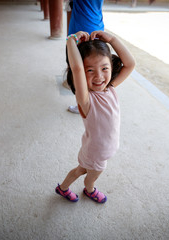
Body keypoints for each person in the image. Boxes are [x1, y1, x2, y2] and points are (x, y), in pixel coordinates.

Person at [55, 30, 135, 203]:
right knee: (91, 175)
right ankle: (90, 190)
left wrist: (112, 39)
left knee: (80, 170)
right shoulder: (86, 100)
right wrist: (71, 41)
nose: (99, 76)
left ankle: (62, 188)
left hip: (92, 149)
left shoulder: (110, 88)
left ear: (112, 68)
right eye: (90, 70)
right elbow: (76, 68)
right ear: (81, 76)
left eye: (104, 68)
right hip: (96, 154)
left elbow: (130, 64)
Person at [65, 0, 105, 114]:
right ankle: (92, 103)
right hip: (96, 25)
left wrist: (70, 40)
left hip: (82, 30)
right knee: (94, 72)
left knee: (81, 71)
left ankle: (83, 105)